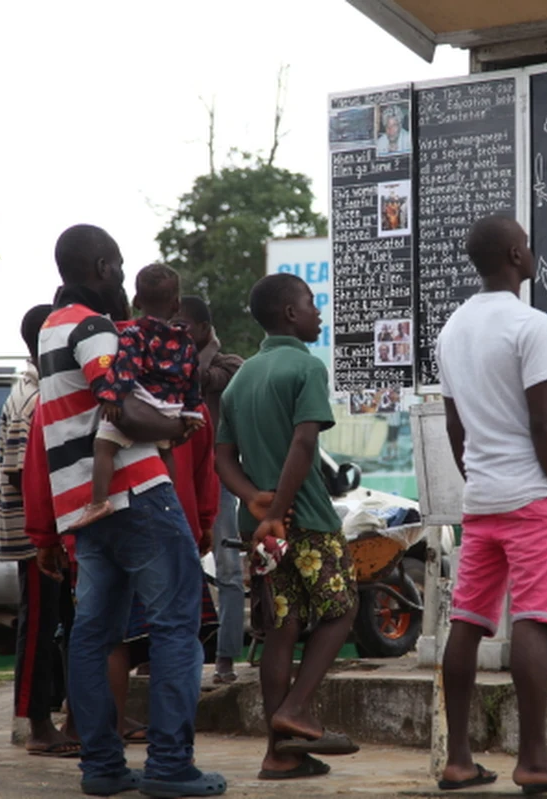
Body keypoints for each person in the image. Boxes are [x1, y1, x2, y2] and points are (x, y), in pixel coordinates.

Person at [35, 224, 223, 798]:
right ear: (102, 269)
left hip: (84, 506)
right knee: (175, 628)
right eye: (118, 266)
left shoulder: (50, 328)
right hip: (138, 491)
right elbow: (117, 408)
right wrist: (178, 425)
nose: (123, 278)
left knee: (93, 635)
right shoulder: (94, 329)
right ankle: (169, 766)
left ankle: (103, 767)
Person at [434, 216, 547, 794]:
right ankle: (534, 759)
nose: (534, 253)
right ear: (516, 254)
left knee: (466, 622)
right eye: (530, 246)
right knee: (534, 621)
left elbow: (455, 427)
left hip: (482, 498)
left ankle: (459, 760)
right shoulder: (530, 324)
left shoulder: (452, 330)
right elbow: (545, 423)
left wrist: (479, 479)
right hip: (534, 496)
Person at [216, 273, 359, 782]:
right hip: (307, 519)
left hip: (257, 529)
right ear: (290, 315)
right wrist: (279, 506)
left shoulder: (241, 377)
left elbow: (222, 457)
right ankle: (297, 708)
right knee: (342, 610)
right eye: (312, 303)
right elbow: (304, 445)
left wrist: (252, 499)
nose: (318, 313)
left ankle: (279, 754)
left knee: (281, 629)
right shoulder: (305, 367)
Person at [0, 303, 80, 757]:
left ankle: (68, 714)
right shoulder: (34, 398)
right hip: (36, 536)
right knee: (38, 625)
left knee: (62, 621)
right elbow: (19, 472)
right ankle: (37, 724)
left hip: (49, 531)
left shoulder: (42, 390)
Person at [72, 263, 203, 530]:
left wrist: (112, 397)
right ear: (176, 305)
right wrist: (192, 412)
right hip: (171, 408)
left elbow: (126, 368)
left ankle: (99, 502)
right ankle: (171, 500)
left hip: (142, 403)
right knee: (166, 452)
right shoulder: (187, 342)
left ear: (136, 300)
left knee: (105, 446)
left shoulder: (134, 334)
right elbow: (193, 378)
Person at [174, 295, 245, 684]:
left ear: (203, 330)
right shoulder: (169, 361)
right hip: (177, 479)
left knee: (230, 571)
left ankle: (226, 658)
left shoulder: (228, 365)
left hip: (219, 482)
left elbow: (202, 380)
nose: (177, 333)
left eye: (184, 327)